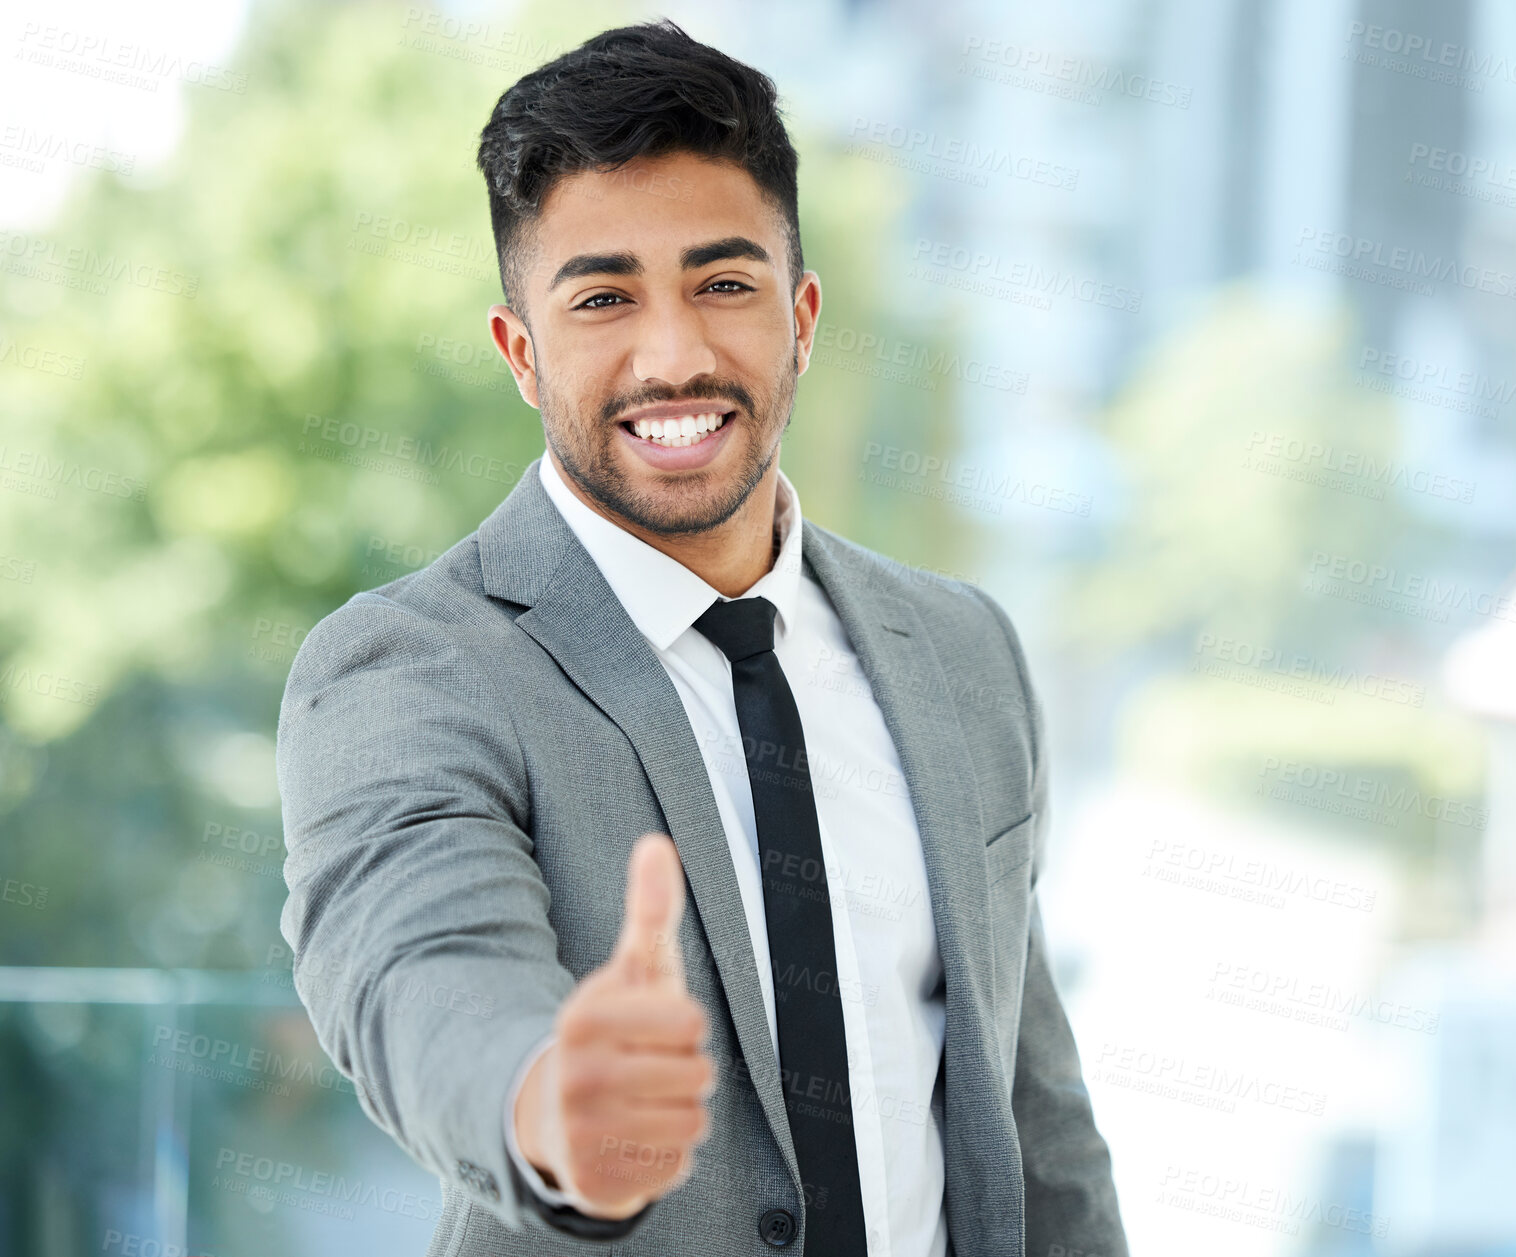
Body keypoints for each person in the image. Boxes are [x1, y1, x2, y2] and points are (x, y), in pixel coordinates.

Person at [276, 18, 1128, 1257]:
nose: (672, 355)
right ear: (521, 353)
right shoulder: (410, 670)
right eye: (603, 298)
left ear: (801, 314)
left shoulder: (965, 654)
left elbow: (1033, 1117)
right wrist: (547, 1107)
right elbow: (414, 963)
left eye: (723, 285)